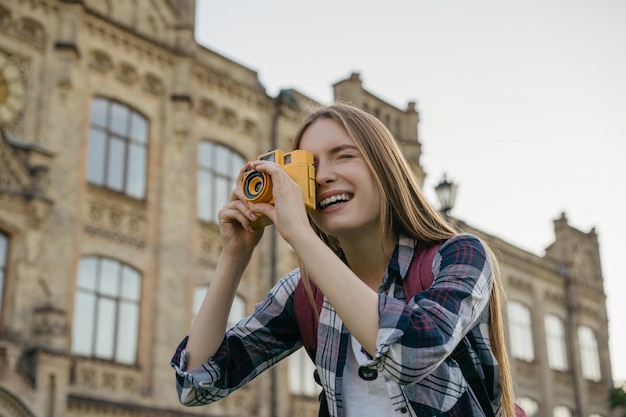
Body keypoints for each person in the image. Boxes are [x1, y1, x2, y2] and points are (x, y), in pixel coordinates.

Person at [171, 103, 517, 417]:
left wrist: (301, 236)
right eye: (311, 166)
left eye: (344, 156)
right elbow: (197, 385)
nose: (322, 177)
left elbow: (411, 352)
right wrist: (235, 254)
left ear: (386, 169)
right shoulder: (305, 291)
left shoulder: (459, 256)